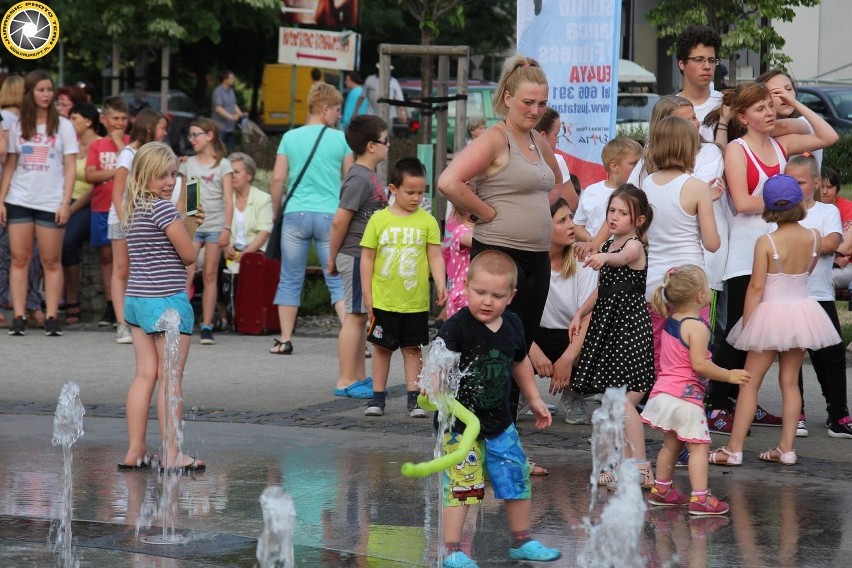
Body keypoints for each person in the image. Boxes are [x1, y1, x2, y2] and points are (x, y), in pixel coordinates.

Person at [705, 82, 838, 435]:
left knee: (764, 337)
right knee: (739, 332)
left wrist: (793, 102)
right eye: (761, 108)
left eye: (770, 106)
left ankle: (736, 404)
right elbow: (744, 202)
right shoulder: (736, 149)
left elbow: (828, 137)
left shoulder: (782, 145)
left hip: (776, 249)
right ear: (744, 116)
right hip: (746, 254)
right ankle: (717, 403)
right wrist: (784, 201)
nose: (768, 112)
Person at [437, 54, 563, 420]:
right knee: (492, 351)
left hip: (536, 258)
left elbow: (557, 183)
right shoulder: (495, 138)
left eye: (542, 103)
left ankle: (504, 441)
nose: (536, 110)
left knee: (515, 347)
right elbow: (449, 181)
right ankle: (479, 436)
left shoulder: (538, 141)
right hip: (500, 254)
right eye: (528, 102)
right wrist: (487, 212)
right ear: (507, 98)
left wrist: (541, 215)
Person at [435, 250, 560, 566]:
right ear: (466, 285)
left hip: (499, 420)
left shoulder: (514, 325)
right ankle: (452, 550)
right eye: (479, 292)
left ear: (511, 296)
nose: (486, 301)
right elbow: (437, 370)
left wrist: (534, 399)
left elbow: (520, 362)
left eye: (496, 295)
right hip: (460, 427)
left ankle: (521, 540)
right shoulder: (456, 328)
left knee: (516, 476)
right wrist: (432, 385)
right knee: (464, 485)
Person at [709, 174, 840, 467]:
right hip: (801, 312)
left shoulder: (766, 241)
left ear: (768, 208)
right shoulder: (814, 238)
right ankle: (787, 448)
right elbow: (806, 273)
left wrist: (749, 325)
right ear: (798, 205)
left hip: (769, 313)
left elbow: (756, 287)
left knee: (749, 383)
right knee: (790, 382)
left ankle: (733, 449)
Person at [119, 141, 205, 472]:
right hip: (166, 301)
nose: (169, 182)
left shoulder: (132, 207)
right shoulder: (163, 209)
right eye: (161, 176)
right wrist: (193, 224)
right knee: (170, 378)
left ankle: (135, 451)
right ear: (144, 175)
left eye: (173, 175)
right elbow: (187, 255)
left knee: (144, 375)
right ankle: (172, 453)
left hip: (137, 300)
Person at [642, 265, 750, 515]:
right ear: (701, 296)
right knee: (699, 447)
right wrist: (728, 375)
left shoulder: (672, 320)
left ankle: (662, 489)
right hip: (686, 399)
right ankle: (700, 498)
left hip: (665, 394)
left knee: (670, 446)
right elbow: (700, 364)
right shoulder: (697, 326)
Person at [568, 185, 655, 489]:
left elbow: (621, 259)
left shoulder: (634, 246)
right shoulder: (607, 246)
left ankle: (641, 468)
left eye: (622, 212)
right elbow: (602, 289)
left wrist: (603, 258)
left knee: (620, 400)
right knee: (615, 404)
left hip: (628, 329)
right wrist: (580, 312)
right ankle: (624, 465)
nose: (614, 217)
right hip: (611, 327)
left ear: (639, 219)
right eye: (611, 211)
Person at [270, 83, 352, 355]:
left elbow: (278, 178)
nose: (339, 116)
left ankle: (284, 339)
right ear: (325, 108)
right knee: (336, 277)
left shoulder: (290, 138)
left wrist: (275, 212)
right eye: (338, 110)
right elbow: (350, 180)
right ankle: (352, 337)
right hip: (330, 215)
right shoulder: (342, 140)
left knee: (290, 277)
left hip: (295, 214)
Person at [360, 158, 446, 417]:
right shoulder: (378, 220)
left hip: (414, 301)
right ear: (393, 189)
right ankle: (377, 398)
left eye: (421, 192)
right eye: (410, 192)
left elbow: (435, 255)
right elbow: (367, 258)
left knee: (412, 348)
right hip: (384, 300)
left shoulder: (427, 221)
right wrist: (367, 294)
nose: (416, 198)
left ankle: (414, 398)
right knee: (382, 348)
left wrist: (441, 283)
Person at [0, 70, 78, 337]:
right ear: (30, 93)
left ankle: (52, 316)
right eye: (41, 90)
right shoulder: (20, 125)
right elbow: (10, 164)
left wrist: (65, 202)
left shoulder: (64, 126)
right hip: (19, 198)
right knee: (19, 259)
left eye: (49, 90)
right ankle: (19, 315)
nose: (46, 95)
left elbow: (70, 167)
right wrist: (1, 200)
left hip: (50, 200)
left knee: (50, 260)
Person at [640, 116, 720, 376]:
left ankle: (655, 400)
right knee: (691, 349)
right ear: (688, 148)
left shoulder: (647, 183)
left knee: (657, 349)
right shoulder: (696, 187)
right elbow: (712, 243)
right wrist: (708, 202)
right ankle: (684, 397)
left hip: (655, 282)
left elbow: (646, 235)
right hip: (690, 281)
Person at [783, 156, 852, 439]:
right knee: (792, 356)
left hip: (819, 293)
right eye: (788, 181)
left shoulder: (827, 212)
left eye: (798, 182)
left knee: (832, 355)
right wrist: (813, 242)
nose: (792, 187)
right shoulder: (781, 212)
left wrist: (794, 242)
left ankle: (838, 414)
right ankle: (795, 413)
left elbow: (833, 244)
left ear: (816, 184)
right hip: (788, 295)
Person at [326, 115, 388, 399]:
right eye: (386, 140)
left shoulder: (367, 175)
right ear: (371, 145)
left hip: (361, 254)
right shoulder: (358, 178)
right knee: (353, 317)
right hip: (353, 254)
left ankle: (359, 376)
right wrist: (332, 257)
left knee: (361, 317)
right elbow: (340, 221)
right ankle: (345, 379)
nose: (389, 145)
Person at [527, 198, 597, 425]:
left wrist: (568, 358)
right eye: (562, 220)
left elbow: (588, 316)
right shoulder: (528, 262)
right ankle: (521, 391)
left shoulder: (581, 260)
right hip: (532, 334)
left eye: (571, 218)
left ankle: (575, 393)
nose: (571, 226)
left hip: (570, 335)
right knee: (503, 335)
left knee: (600, 336)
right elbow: (513, 313)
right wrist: (531, 350)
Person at [110, 108, 170, 344]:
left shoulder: (151, 153)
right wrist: (125, 220)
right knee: (121, 270)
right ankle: (122, 323)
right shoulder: (128, 154)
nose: (164, 133)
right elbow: (117, 193)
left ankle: (136, 320)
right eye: (162, 128)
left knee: (136, 271)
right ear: (149, 127)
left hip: (140, 219)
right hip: (123, 219)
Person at [181, 117, 234, 345]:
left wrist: (227, 229)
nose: (191, 139)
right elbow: (185, 197)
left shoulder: (223, 165)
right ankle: (182, 320)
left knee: (211, 274)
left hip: (215, 225)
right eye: (190, 135)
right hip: (193, 224)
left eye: (196, 134)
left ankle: (207, 324)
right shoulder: (188, 163)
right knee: (187, 273)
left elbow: (228, 200)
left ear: (209, 135)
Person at [0, 74, 46, 330]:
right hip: (21, 190)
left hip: (11, 190)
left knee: (10, 255)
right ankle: (33, 305)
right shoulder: (20, 121)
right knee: (28, 255)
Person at [85, 96, 129, 328]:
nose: (119, 123)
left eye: (123, 119)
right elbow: (90, 175)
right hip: (101, 207)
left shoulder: (131, 143)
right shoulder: (96, 145)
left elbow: (132, 169)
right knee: (105, 257)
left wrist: (120, 143)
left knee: (125, 261)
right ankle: (111, 304)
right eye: (115, 118)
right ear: (104, 119)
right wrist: (116, 172)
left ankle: (124, 304)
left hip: (123, 209)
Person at [62, 102, 105, 325]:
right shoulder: (72, 144)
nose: (70, 123)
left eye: (74, 118)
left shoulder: (100, 145)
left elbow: (93, 186)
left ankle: (72, 299)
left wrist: (70, 208)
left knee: (68, 241)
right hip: (65, 201)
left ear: (89, 121)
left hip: (89, 204)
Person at [218, 151, 273, 323]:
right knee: (214, 263)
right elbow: (218, 226)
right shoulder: (224, 199)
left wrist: (246, 253)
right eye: (230, 172)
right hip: (228, 249)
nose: (232, 176)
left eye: (236, 172)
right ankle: (223, 315)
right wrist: (225, 245)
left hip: (254, 251)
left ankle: (248, 316)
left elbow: (264, 231)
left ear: (249, 175)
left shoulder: (263, 199)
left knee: (253, 266)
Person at [573, 137, 642, 246]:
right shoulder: (591, 191)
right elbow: (577, 225)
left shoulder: (638, 194)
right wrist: (591, 240)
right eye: (634, 164)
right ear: (614, 166)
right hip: (591, 258)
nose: (639, 168)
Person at [675, 25, 723, 141]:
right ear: (682, 64)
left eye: (711, 61)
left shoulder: (725, 103)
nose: (707, 66)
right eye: (699, 60)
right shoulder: (669, 109)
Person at [535, 107, 577, 211]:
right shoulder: (556, 161)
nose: (557, 140)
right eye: (556, 134)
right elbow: (572, 203)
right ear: (543, 136)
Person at [212, 70, 244, 153]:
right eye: (231, 78)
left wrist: (240, 114)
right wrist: (232, 117)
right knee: (217, 151)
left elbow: (234, 105)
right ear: (225, 80)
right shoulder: (218, 91)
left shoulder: (231, 91)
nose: (234, 80)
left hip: (230, 128)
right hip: (220, 128)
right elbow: (218, 108)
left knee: (232, 152)